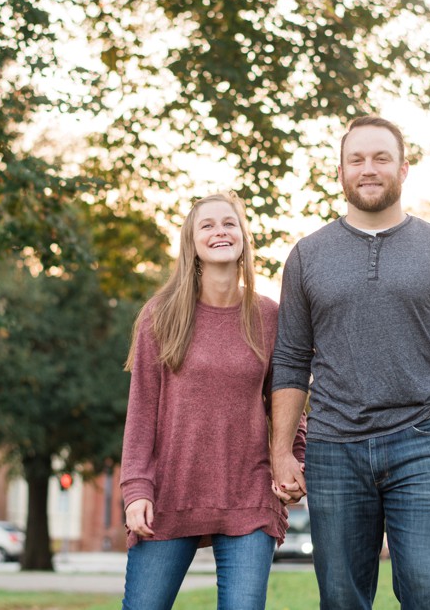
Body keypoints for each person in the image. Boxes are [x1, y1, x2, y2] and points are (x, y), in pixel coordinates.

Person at [269, 116, 430, 609]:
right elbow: (288, 360)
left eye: (380, 158)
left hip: (423, 442)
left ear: (404, 169)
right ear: (341, 172)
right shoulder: (307, 256)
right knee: (342, 599)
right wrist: (281, 451)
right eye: (357, 159)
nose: (368, 169)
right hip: (332, 447)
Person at [120, 191, 306, 610]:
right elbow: (141, 412)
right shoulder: (161, 316)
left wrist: (294, 459)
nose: (220, 231)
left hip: (249, 495)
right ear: (191, 243)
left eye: (229, 223)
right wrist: (136, 490)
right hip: (171, 494)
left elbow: (288, 401)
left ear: (243, 237)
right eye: (207, 225)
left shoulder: (270, 316)